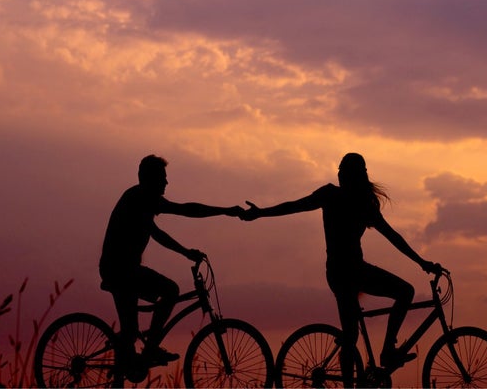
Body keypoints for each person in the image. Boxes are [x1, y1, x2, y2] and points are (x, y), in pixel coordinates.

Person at [241, 152, 439, 387]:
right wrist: (422, 263)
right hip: (347, 272)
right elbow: (295, 206)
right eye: (340, 169)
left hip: (346, 271)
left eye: (342, 170)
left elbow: (392, 236)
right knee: (392, 302)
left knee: (359, 328)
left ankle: (382, 355)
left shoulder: (351, 201)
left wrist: (421, 261)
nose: (339, 173)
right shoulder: (344, 199)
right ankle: (385, 353)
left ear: (351, 174)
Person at [99, 154, 243, 377]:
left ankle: (130, 358)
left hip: (123, 270)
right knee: (169, 291)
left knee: (130, 333)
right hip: (120, 270)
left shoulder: (143, 200)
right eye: (162, 178)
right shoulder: (139, 198)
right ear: (150, 179)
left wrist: (222, 212)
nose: (166, 183)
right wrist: (224, 211)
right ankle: (149, 349)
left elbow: (180, 214)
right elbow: (180, 216)